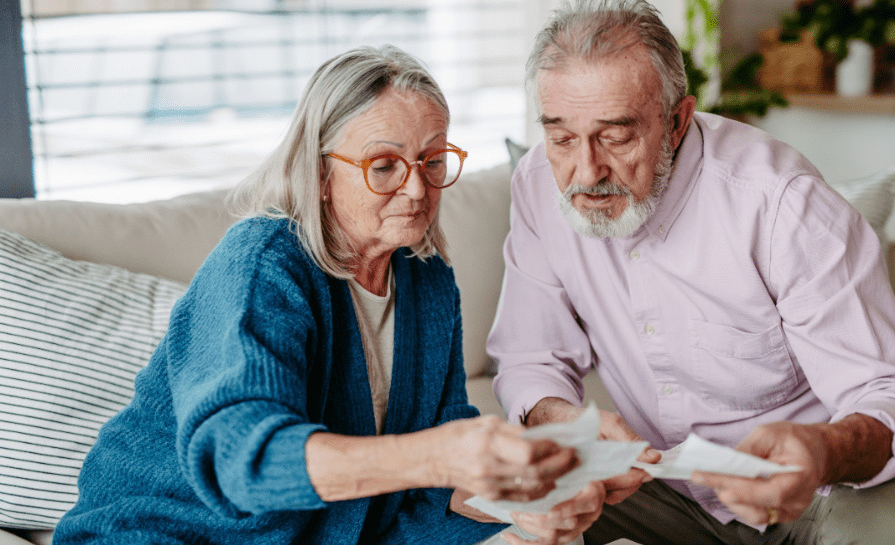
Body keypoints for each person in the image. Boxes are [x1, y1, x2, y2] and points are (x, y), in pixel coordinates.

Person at [54, 45, 604, 545]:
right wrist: (436, 457)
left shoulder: (427, 278)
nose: (417, 188)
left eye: (433, 161)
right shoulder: (262, 265)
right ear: (319, 175)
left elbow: (435, 484)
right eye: (384, 166)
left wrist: (521, 499)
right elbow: (246, 463)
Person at [488, 0, 895, 545]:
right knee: (488, 520)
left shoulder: (783, 204)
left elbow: (894, 396)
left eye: (616, 136)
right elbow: (530, 358)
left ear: (677, 121)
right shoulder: (538, 186)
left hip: (825, 482)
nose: (586, 172)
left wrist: (821, 451)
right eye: (562, 138)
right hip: (661, 483)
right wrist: (564, 421)